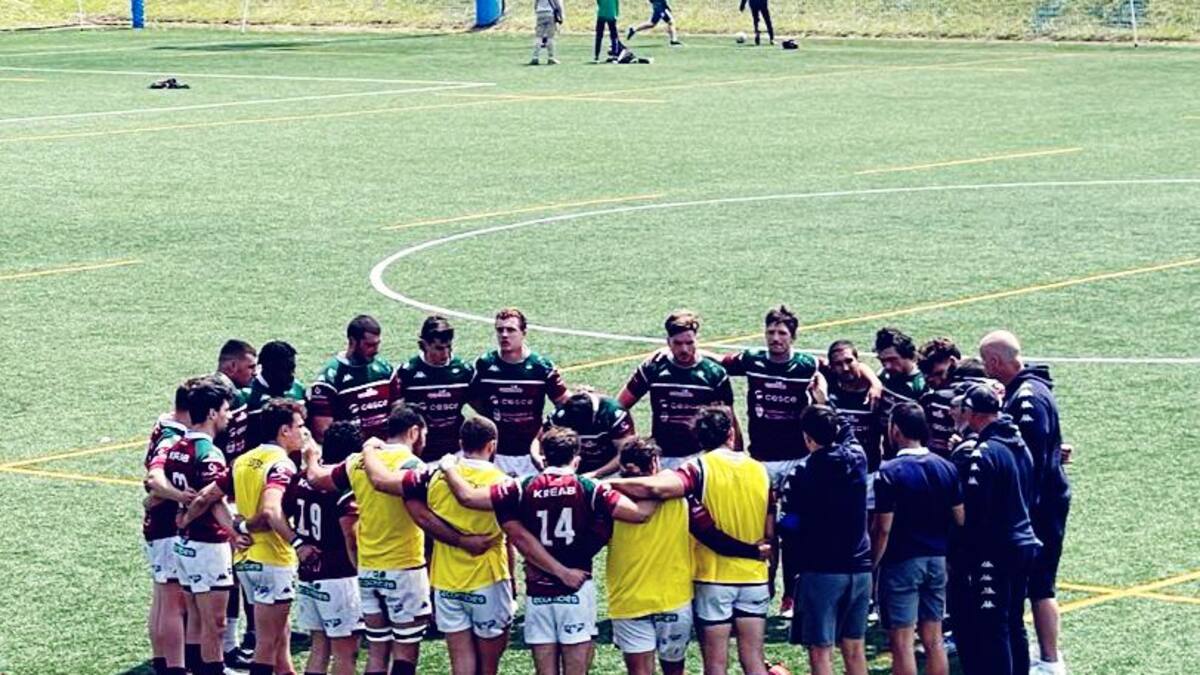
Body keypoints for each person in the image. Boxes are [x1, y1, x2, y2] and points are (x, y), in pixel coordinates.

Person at [439, 427, 653, 675]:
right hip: (576, 590)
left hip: (538, 593)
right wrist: (656, 479)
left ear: (544, 458)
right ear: (576, 459)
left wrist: (449, 468)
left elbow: (468, 498)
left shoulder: (521, 486)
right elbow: (640, 514)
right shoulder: (589, 488)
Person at [608, 407, 774, 675]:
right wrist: (760, 554)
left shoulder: (697, 469)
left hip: (714, 578)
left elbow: (654, 488)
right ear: (731, 433)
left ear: (698, 438)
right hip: (755, 578)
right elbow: (770, 528)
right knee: (754, 660)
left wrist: (598, 484)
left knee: (716, 664)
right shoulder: (760, 470)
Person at [364, 416, 512, 675]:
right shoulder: (505, 483)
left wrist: (368, 449)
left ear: (460, 443)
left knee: (461, 664)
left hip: (445, 583)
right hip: (489, 579)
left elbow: (384, 483)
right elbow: (514, 534)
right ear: (492, 445)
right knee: (488, 668)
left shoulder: (432, 477)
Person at [304, 405, 432, 675]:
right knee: (405, 650)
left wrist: (311, 457)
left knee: (377, 651)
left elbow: (316, 479)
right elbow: (422, 514)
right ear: (414, 431)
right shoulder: (412, 466)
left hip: (368, 569)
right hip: (404, 568)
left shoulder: (356, 462)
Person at [720, 306, 823, 617]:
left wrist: (872, 381)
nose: (775, 339)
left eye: (782, 334)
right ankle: (763, 590)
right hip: (760, 461)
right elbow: (715, 362)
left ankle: (791, 594)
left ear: (793, 337)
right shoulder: (753, 360)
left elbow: (848, 371)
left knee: (791, 527)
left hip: (795, 462)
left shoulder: (807, 365)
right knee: (763, 529)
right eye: (771, 333)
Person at [979, 331, 1071, 675]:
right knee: (1036, 581)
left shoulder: (1027, 398)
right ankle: (1045, 656)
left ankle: (1050, 660)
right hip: (1044, 500)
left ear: (994, 362)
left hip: (1039, 505)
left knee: (1040, 582)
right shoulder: (1032, 390)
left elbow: (1027, 458)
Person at [212, 399, 316, 675]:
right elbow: (271, 510)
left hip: (246, 561)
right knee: (267, 642)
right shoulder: (281, 464)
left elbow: (208, 498)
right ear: (284, 430)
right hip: (273, 560)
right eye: (300, 426)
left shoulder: (242, 461)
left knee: (279, 636)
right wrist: (298, 543)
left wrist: (236, 530)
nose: (304, 432)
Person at [952, 383, 1041, 675]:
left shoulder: (985, 452)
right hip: (1024, 542)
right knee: (1013, 621)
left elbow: (975, 511)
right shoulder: (1019, 444)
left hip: (996, 549)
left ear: (972, 413)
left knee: (994, 627)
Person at [155, 377, 241, 675]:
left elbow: (155, 489)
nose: (229, 416)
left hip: (185, 544)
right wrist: (234, 531)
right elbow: (210, 500)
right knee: (214, 624)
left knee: (195, 617)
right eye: (226, 410)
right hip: (207, 544)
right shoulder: (209, 453)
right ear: (213, 413)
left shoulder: (177, 445)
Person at [870, 403, 964, 675]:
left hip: (902, 561)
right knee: (933, 638)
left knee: (902, 642)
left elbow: (882, 529)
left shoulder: (889, 471)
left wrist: (872, 564)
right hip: (937, 560)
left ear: (895, 430)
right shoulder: (946, 467)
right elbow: (960, 518)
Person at [779, 405, 871, 675]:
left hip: (821, 571)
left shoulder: (802, 474)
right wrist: (827, 403)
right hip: (860, 569)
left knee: (821, 651)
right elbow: (849, 433)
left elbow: (789, 525)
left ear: (807, 438)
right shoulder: (858, 459)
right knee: (854, 648)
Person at [618, 310, 739, 470]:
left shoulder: (714, 374)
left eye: (689, 343)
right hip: (662, 457)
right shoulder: (653, 368)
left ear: (697, 340)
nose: (684, 349)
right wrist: (631, 440)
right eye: (678, 343)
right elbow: (620, 406)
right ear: (668, 342)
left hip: (700, 457)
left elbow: (729, 418)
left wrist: (737, 453)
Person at [291, 421, 363, 675]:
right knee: (345, 652)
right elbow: (351, 535)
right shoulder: (342, 485)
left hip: (309, 575)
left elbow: (278, 512)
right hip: (340, 576)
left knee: (319, 648)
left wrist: (297, 543)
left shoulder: (301, 479)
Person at [468, 307, 569, 477]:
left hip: (531, 454)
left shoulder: (541, 367)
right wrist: (490, 414)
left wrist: (548, 427)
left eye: (511, 330)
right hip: (496, 452)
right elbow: (471, 397)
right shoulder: (484, 364)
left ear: (524, 332)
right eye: (500, 330)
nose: (504, 335)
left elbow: (564, 403)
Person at [142, 382, 195, 675]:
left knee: (162, 596)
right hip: (166, 525)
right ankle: (175, 666)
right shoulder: (173, 436)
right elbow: (155, 479)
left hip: (157, 525)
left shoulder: (165, 421)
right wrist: (178, 496)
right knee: (173, 601)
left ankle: (162, 661)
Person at [393, 316, 475, 465]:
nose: (445, 353)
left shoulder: (464, 371)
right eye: (439, 348)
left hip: (455, 452)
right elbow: (397, 414)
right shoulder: (408, 373)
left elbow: (479, 405)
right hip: (421, 455)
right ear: (424, 345)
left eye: (449, 347)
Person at [309, 315, 396, 443]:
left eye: (377, 344)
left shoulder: (385, 370)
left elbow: (398, 412)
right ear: (352, 341)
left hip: (385, 451)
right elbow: (323, 432)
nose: (376, 350)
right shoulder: (329, 380)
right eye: (369, 345)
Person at [544, 387, 635, 478]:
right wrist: (538, 458)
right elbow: (540, 441)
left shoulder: (613, 413)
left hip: (609, 470)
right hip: (570, 470)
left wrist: (595, 474)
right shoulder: (560, 415)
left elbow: (625, 454)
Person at [824, 340, 883, 472]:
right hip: (836, 470)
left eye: (849, 361)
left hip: (869, 470)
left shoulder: (874, 393)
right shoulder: (830, 384)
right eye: (838, 364)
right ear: (832, 367)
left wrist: (876, 383)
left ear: (858, 361)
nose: (845, 368)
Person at [241, 340, 307, 451]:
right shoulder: (248, 395)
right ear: (268, 368)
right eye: (285, 370)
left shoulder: (297, 389)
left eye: (292, 369)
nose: (291, 376)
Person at [874, 327, 927, 461]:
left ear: (909, 356)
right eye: (883, 361)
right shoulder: (883, 376)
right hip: (888, 453)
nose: (888, 366)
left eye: (893, 359)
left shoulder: (921, 385)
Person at [916, 337, 962, 457]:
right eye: (928, 377)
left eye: (939, 373)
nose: (934, 381)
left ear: (953, 362)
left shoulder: (970, 395)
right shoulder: (927, 398)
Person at [214, 339, 258, 461]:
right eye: (251, 367)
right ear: (233, 366)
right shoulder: (232, 395)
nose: (255, 373)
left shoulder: (205, 386)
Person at [531, 0, 564, 65]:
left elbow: (535, 4)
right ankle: (551, 57)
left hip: (540, 13)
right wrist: (560, 16)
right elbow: (557, 4)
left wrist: (537, 11)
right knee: (550, 37)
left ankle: (535, 57)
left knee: (538, 36)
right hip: (550, 13)